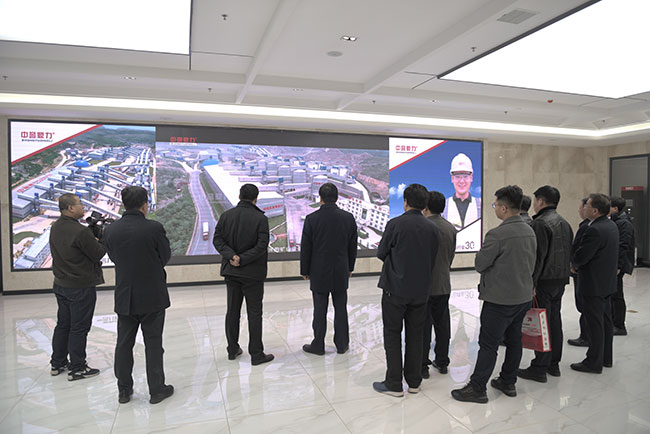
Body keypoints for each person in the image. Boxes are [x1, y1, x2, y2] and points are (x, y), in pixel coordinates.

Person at [452, 185, 536, 404]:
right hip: (523, 297)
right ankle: (508, 381)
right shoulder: (530, 230)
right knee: (515, 341)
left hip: (500, 300)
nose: (495, 208)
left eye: (495, 205)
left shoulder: (497, 235)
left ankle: (477, 388)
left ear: (504, 208)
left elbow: (480, 264)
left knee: (489, 344)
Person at [104, 186, 173, 404]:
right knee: (153, 344)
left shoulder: (110, 230)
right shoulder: (154, 228)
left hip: (125, 295)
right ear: (145, 204)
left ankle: (124, 390)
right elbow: (165, 256)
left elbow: (114, 257)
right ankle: (157, 390)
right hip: (152, 294)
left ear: (124, 204)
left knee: (124, 344)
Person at [373, 184, 440, 397]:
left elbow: (381, 253)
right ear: (425, 204)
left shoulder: (395, 224)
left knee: (392, 334)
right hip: (421, 291)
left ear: (405, 202)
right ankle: (414, 382)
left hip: (395, 289)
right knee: (416, 336)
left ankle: (394, 383)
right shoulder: (433, 229)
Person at [213, 183, 274, 366]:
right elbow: (261, 246)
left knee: (232, 312)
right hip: (253, 274)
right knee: (254, 313)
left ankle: (232, 350)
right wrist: (243, 258)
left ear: (239, 196)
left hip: (232, 272)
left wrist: (232, 256)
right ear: (256, 198)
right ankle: (256, 354)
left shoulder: (226, 216)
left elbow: (218, 240)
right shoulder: (260, 219)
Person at [518, 185, 573, 383]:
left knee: (543, 323)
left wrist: (532, 283)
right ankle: (553, 363)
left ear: (540, 201)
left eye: (535, 200)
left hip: (544, 281)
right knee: (554, 320)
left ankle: (539, 367)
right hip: (560, 280)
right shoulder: (565, 223)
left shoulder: (540, 224)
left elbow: (538, 257)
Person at [49, 193, 105, 381]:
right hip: (80, 286)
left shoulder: (56, 227)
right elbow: (98, 253)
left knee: (63, 325)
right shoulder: (80, 232)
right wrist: (103, 237)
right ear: (70, 208)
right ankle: (78, 368)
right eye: (80, 204)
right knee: (79, 328)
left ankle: (57, 363)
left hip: (61, 283)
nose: (83, 207)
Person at [300, 183, 358, 355]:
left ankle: (318, 345)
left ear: (320, 198)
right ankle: (342, 344)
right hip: (341, 270)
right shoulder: (348, 218)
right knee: (341, 309)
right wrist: (350, 267)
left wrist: (305, 270)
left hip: (319, 271)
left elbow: (306, 248)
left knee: (319, 309)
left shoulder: (312, 219)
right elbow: (352, 247)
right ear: (337, 197)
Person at [570, 193, 618, 373]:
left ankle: (593, 362)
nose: (584, 208)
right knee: (605, 322)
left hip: (593, 284)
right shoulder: (610, 225)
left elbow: (583, 255)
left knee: (595, 324)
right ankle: (606, 358)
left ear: (595, 210)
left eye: (587, 205)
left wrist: (574, 264)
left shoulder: (594, 230)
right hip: (606, 283)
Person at [421, 191, 457, 378]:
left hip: (425, 285)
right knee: (442, 325)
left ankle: (423, 366)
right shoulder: (450, 228)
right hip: (443, 284)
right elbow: (450, 256)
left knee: (423, 326)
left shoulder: (423, 227)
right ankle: (442, 362)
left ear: (426, 206)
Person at [609, 196, 635, 336]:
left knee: (617, 295)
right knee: (613, 293)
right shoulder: (616, 221)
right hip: (616, 263)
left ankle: (619, 325)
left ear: (615, 208)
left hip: (619, 264)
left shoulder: (623, 223)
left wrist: (618, 265)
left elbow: (623, 246)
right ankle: (614, 321)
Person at [567, 198, 590, 347]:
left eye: (581, 207)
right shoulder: (588, 225)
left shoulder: (589, 227)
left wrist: (574, 264)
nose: (579, 210)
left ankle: (586, 337)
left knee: (584, 304)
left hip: (581, 271)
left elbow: (583, 250)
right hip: (580, 271)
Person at [442, 153, 481, 231]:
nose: (462, 181)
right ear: (452, 179)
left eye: (465, 176)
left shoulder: (480, 204)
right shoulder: (444, 205)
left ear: (471, 178)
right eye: (457, 177)